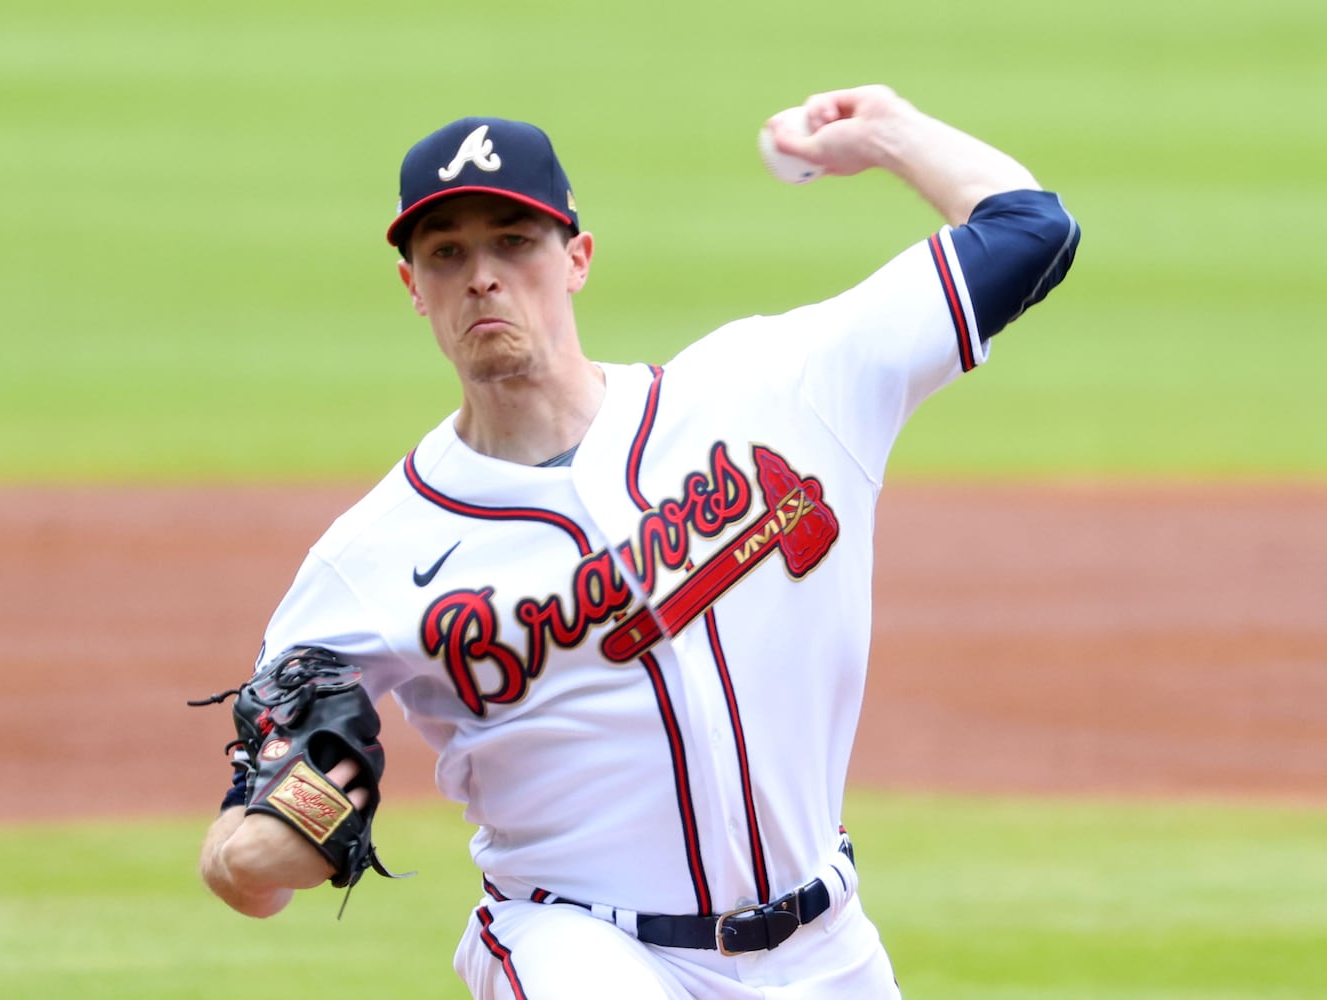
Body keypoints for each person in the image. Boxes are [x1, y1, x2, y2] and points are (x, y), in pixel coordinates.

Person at [197, 84, 1079, 998]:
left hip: (829, 946)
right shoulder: (367, 559)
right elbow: (247, 857)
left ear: (576, 257)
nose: (482, 276)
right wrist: (262, 846)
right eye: (446, 253)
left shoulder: (777, 390)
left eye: (514, 240)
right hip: (577, 944)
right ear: (413, 287)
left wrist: (891, 132)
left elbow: (1028, 230)